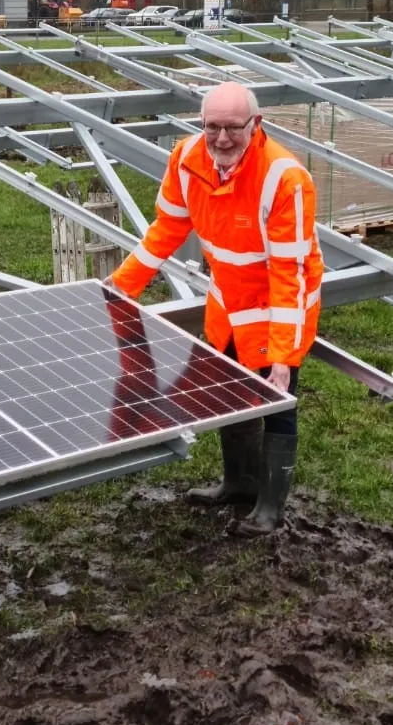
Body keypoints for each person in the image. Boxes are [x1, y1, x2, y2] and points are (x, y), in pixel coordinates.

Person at [107, 81, 323, 537]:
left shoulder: (284, 178)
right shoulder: (187, 159)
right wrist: (123, 286)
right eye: (212, 128)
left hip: (275, 305)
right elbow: (166, 229)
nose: (222, 139)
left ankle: (270, 508)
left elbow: (290, 272)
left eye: (232, 128)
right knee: (226, 390)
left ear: (255, 125)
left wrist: (283, 356)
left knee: (277, 403)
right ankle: (238, 483)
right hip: (227, 301)